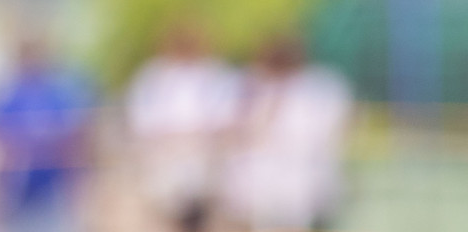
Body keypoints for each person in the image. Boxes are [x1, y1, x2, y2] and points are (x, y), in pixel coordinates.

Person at [220, 35, 352, 232]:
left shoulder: (315, 89)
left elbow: (316, 137)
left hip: (297, 179)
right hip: (265, 181)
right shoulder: (253, 87)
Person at [123, 24, 239, 232]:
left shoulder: (213, 74)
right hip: (166, 160)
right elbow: (142, 120)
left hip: (204, 160)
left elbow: (225, 117)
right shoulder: (154, 76)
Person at [0, 34, 94, 232]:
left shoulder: (59, 91)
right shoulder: (9, 92)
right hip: (17, 184)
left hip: (54, 180)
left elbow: (77, 129)